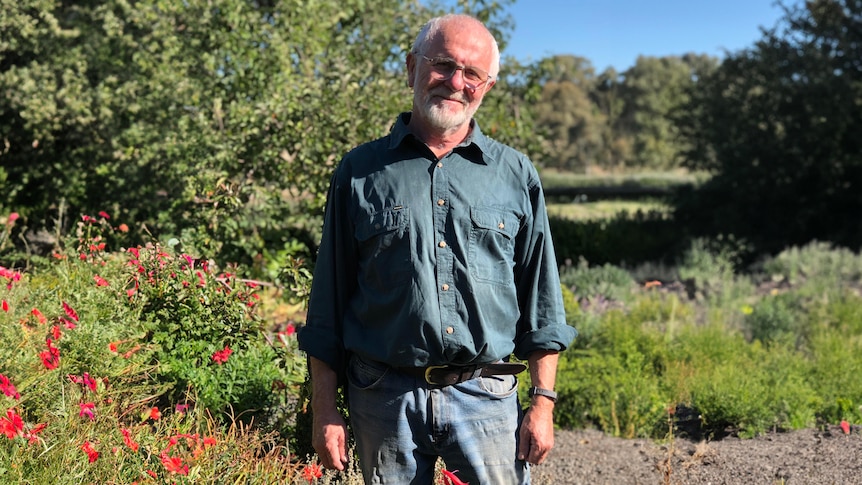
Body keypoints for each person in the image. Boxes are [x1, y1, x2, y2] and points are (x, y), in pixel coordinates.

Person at [297, 13, 577, 485]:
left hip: (487, 397)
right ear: (411, 68)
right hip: (384, 400)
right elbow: (327, 303)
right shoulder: (361, 171)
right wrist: (324, 409)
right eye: (443, 64)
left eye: (472, 73)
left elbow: (541, 302)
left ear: (485, 87)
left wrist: (542, 404)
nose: (455, 82)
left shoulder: (515, 174)